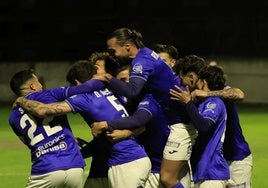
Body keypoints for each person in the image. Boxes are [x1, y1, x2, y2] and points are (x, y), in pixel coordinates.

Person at [14, 60, 151, 188]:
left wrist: (21, 100)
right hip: (126, 158)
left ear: (76, 82)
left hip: (126, 162)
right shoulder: (113, 91)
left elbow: (42, 110)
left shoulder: (82, 99)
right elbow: (140, 124)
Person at [92, 27, 198, 188]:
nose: (112, 55)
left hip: (181, 126)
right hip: (177, 122)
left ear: (127, 46)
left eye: (113, 51)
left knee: (168, 178)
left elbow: (133, 91)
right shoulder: (147, 55)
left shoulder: (141, 61)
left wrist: (108, 78)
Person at [8, 69, 87, 188]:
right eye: (38, 81)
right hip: (74, 166)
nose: (41, 84)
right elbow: (81, 89)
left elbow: (32, 142)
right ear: (32, 86)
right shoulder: (49, 95)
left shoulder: (13, 117)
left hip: (45, 169)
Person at [191, 62, 253, 188]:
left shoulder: (222, 92)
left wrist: (208, 94)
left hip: (236, 158)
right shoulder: (196, 98)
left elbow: (239, 94)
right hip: (213, 162)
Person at [170, 61, 230, 187]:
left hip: (212, 172)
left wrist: (187, 103)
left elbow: (204, 126)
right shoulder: (204, 102)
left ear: (204, 82)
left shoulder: (213, 102)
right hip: (205, 172)